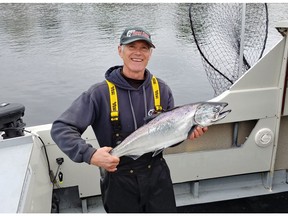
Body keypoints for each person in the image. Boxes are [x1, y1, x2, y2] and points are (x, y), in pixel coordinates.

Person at [50, 26, 208, 213]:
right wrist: (90, 154)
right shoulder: (99, 93)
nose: (138, 53)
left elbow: (168, 139)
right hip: (119, 180)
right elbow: (61, 128)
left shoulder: (162, 90)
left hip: (158, 177)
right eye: (132, 46)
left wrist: (185, 133)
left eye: (144, 48)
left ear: (150, 54)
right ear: (120, 51)